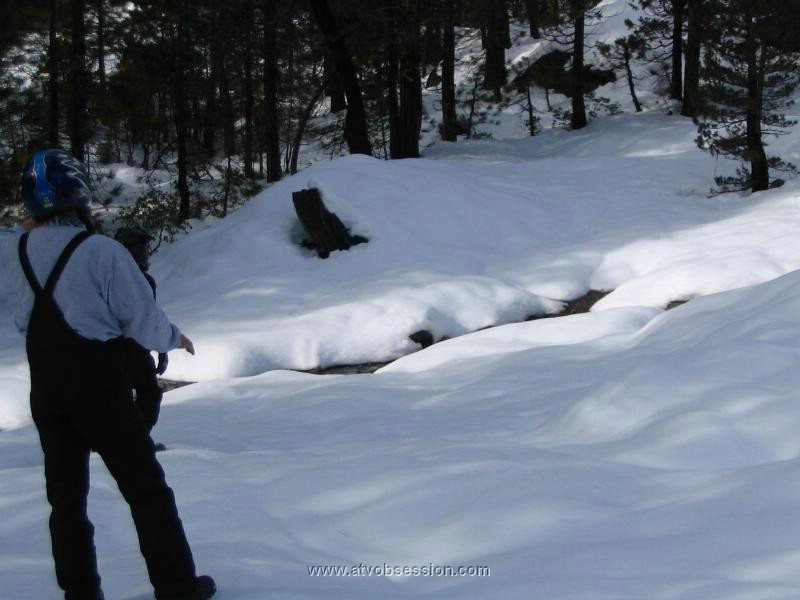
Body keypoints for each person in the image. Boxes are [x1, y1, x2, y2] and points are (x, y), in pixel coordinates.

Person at [0, 149, 215, 600]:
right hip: (97, 386)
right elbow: (143, 321)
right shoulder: (100, 250)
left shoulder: (15, 250)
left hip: (46, 388)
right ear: (78, 194)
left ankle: (80, 593)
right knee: (146, 489)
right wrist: (176, 339)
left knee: (65, 498)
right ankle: (177, 587)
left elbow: (21, 319)